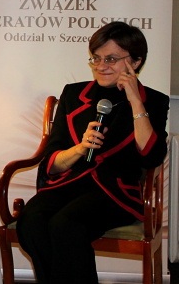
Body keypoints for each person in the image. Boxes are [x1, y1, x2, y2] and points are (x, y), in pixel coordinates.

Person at [16, 21, 169, 284]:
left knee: (66, 224)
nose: (101, 66)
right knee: (31, 222)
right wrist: (80, 148)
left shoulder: (153, 101)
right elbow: (52, 163)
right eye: (96, 58)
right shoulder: (74, 94)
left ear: (136, 61)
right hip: (69, 184)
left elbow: (152, 156)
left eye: (111, 59)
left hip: (116, 192)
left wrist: (135, 100)